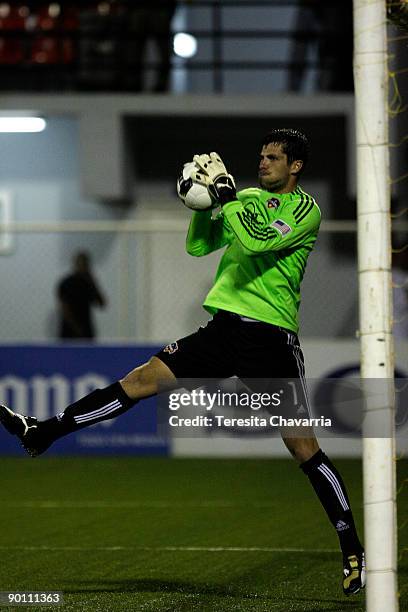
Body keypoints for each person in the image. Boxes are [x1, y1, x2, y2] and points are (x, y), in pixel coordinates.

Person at [0, 128, 364, 596]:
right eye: (261, 156)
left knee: (303, 448)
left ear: (295, 166)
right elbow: (200, 246)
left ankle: (353, 550)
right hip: (223, 329)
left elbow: (256, 243)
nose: (263, 163)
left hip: (270, 338)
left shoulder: (305, 210)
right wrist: (200, 205)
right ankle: (42, 433)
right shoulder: (247, 196)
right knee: (140, 380)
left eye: (273, 158)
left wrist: (226, 196)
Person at [57, 251, 106, 339]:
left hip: (86, 328)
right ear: (75, 264)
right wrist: (77, 329)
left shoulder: (88, 283)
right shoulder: (67, 283)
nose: (83, 266)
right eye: (81, 263)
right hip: (69, 331)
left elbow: (102, 303)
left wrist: (93, 282)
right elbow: (65, 308)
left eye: (85, 264)